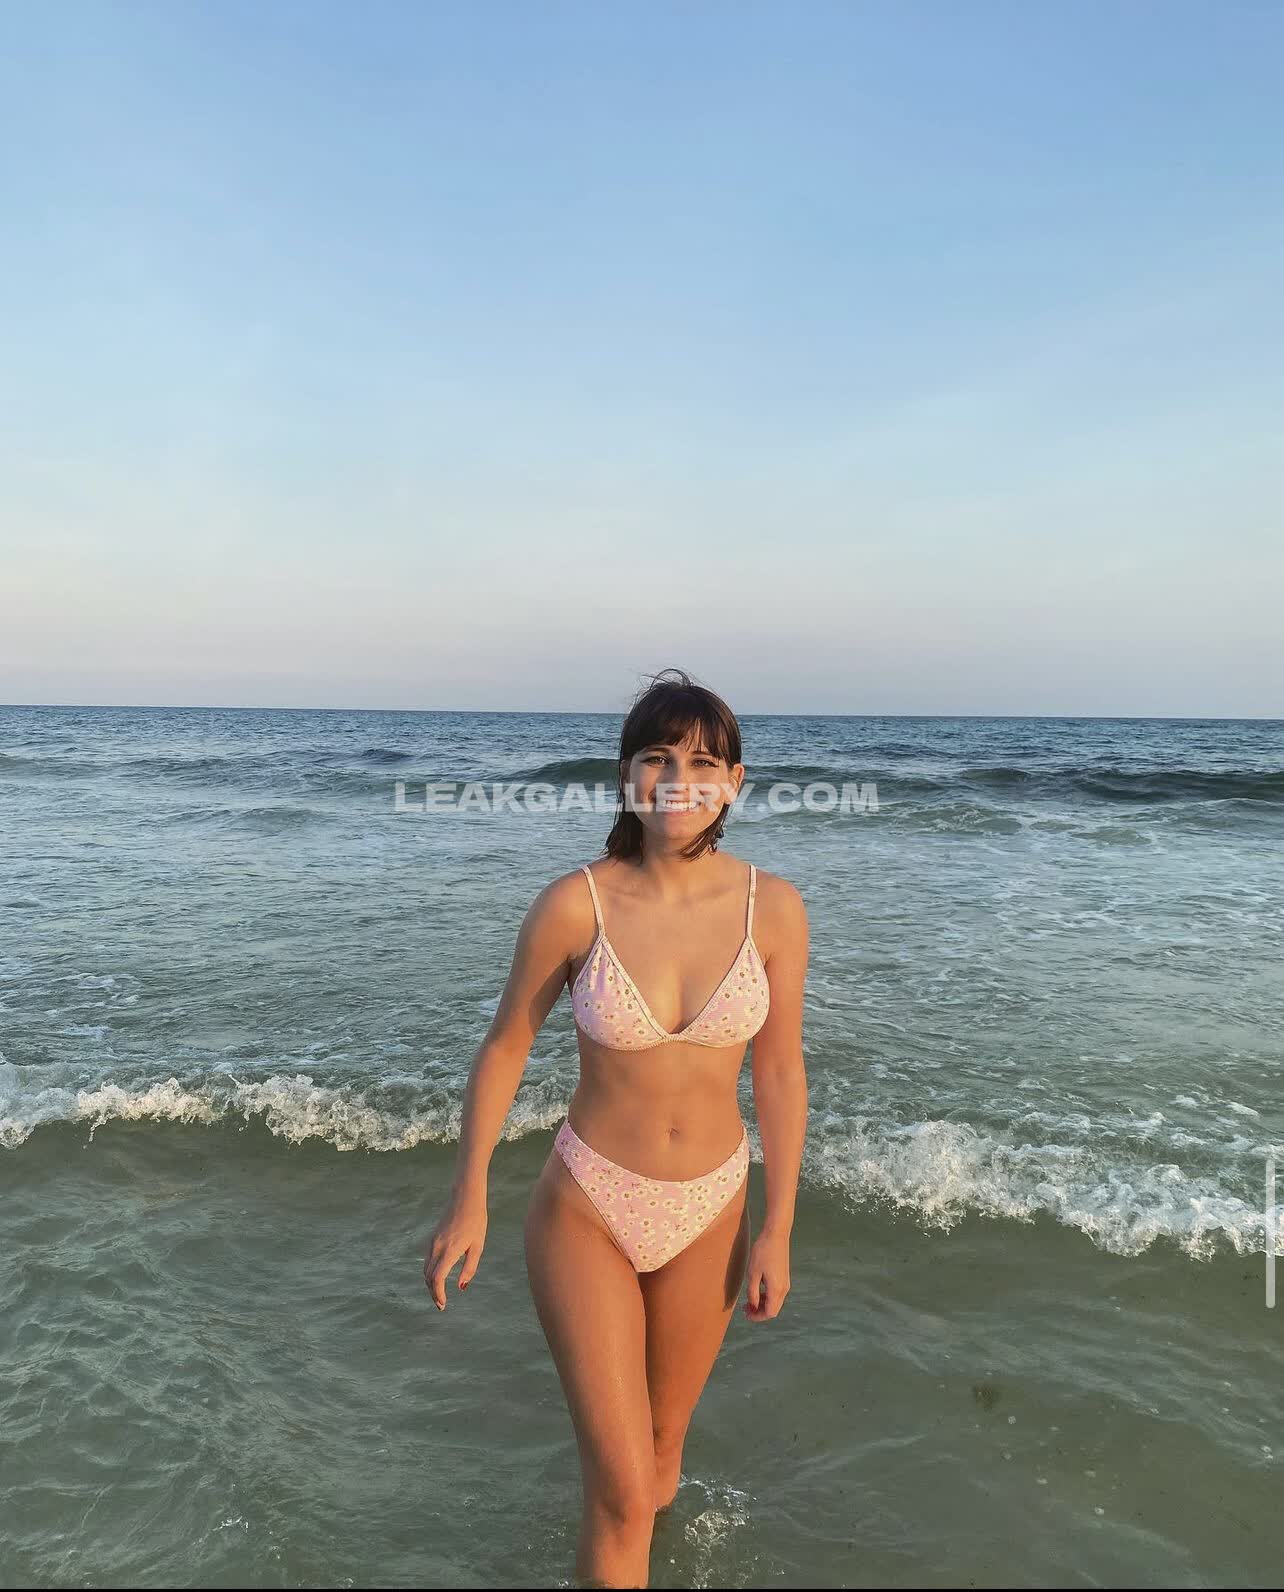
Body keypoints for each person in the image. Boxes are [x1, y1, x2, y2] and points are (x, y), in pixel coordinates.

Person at [423, 668, 809, 1589]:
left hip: (713, 1208)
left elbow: (781, 1072)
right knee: (625, 1492)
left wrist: (779, 1227)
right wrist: (469, 1195)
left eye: (703, 763)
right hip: (589, 1206)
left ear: (735, 783)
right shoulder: (575, 904)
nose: (679, 779)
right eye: (657, 757)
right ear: (626, 775)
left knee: (662, 1455)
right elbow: (506, 1047)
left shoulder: (774, 910)